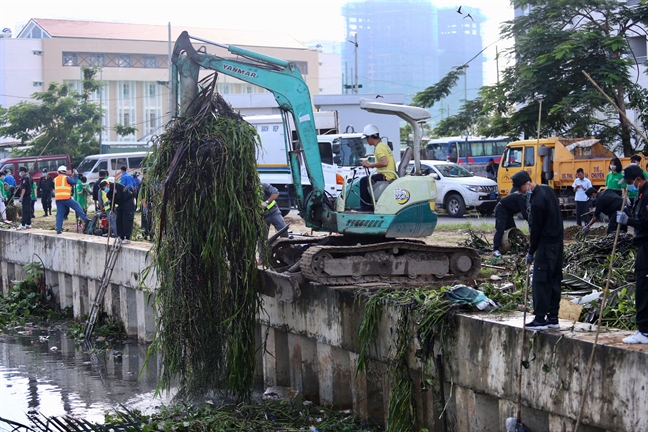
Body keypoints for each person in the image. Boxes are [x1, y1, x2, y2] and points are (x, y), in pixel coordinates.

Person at [511, 170, 564, 330]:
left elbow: (536, 230)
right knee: (555, 280)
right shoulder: (546, 190)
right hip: (558, 244)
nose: (520, 193)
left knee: (541, 281)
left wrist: (531, 251)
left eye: (520, 189)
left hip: (545, 246)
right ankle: (553, 317)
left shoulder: (537, 202)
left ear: (527, 184)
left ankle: (540, 319)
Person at [615, 165, 648, 343]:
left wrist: (628, 220)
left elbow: (646, 222)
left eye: (629, 182)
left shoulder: (647, 194)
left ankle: (644, 330)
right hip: (642, 246)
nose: (629, 186)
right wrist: (628, 213)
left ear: (637, 179)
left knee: (643, 287)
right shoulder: (642, 194)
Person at [355, 124, 397, 212]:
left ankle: (366, 206)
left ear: (370, 137)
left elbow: (384, 162)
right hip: (389, 174)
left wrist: (369, 165)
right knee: (368, 180)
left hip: (386, 175)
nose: (366, 141)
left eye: (366, 138)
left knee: (363, 181)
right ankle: (370, 204)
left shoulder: (379, 148)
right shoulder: (383, 145)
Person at [54, 165, 90, 234]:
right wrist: (76, 175)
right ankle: (85, 219)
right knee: (77, 206)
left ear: (58, 172)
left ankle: (58, 229)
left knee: (60, 214)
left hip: (58, 199)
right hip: (66, 198)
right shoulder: (66, 178)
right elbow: (74, 182)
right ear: (65, 171)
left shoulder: (56, 179)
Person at [492, 191, 528, 257]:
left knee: (513, 230)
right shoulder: (521, 198)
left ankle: (513, 247)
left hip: (509, 212)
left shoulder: (523, 198)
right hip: (501, 210)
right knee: (500, 230)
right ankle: (496, 249)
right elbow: (525, 214)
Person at [100, 177, 135, 243]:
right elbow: (112, 201)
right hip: (121, 205)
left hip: (127, 203)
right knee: (119, 220)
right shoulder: (109, 192)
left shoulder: (116, 187)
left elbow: (119, 197)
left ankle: (127, 237)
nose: (104, 190)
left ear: (107, 185)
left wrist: (115, 193)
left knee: (126, 220)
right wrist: (112, 209)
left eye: (104, 188)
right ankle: (120, 237)